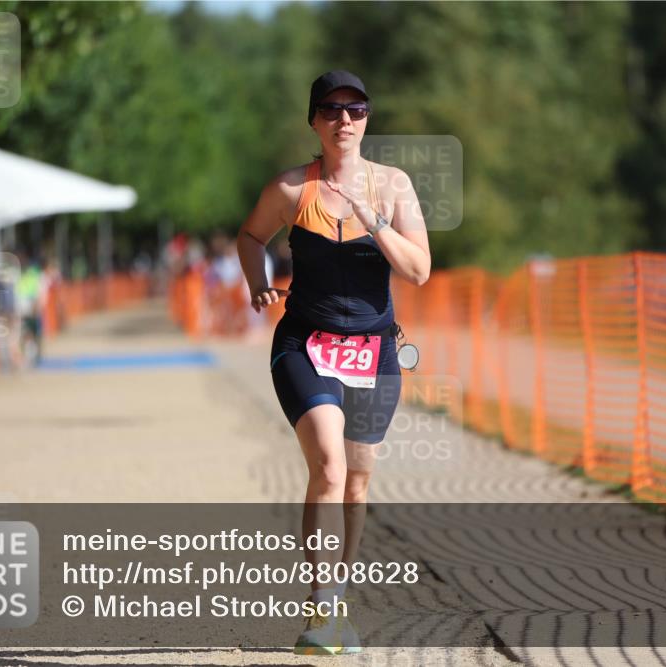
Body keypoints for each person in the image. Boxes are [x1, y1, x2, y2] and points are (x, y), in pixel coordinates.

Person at [236, 70, 430, 655]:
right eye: (331, 109)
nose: (344, 120)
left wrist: (373, 220)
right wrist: (257, 283)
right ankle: (321, 608)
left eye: (356, 109)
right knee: (329, 465)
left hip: (375, 350)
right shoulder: (291, 189)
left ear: (367, 119)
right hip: (305, 344)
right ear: (314, 121)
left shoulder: (393, 185)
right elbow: (250, 237)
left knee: (358, 478)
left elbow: (419, 270)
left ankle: (338, 598)